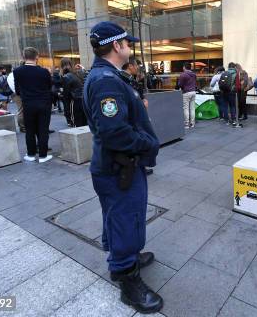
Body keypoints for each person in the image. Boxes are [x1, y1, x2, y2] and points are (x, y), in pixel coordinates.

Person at [83, 21, 162, 314]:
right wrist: (147, 143)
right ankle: (127, 278)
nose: (130, 46)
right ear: (116, 46)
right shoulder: (106, 81)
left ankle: (126, 255)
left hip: (120, 167)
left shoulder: (108, 76)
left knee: (122, 217)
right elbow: (114, 132)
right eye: (127, 43)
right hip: (119, 169)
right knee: (125, 218)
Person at [13, 48, 53, 163]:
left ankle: (31, 154)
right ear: (37, 57)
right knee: (43, 129)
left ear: (23, 57)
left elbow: (18, 90)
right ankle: (43, 155)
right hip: (44, 103)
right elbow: (49, 87)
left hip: (28, 104)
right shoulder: (44, 71)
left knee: (30, 130)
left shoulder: (17, 71)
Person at [61, 58, 88, 127]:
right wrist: (83, 69)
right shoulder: (79, 73)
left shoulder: (66, 77)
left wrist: (67, 115)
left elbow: (66, 97)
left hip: (75, 103)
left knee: (77, 127)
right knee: (86, 125)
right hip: (85, 101)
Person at [177, 62, 197, 129]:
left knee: (186, 108)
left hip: (186, 92)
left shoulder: (183, 75)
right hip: (193, 92)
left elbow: (180, 85)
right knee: (192, 108)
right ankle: (192, 123)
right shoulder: (194, 74)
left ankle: (186, 124)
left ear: (184, 67)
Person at [8, 62, 26, 132]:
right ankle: (22, 127)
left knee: (22, 110)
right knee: (21, 110)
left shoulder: (12, 74)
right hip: (17, 94)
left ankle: (23, 126)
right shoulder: (15, 73)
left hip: (16, 93)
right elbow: (14, 86)